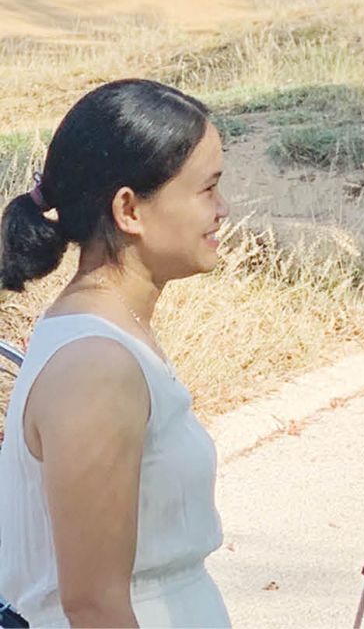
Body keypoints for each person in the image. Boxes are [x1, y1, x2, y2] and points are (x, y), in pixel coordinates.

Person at [0, 80, 232, 628]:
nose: (223, 210)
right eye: (207, 189)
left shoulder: (116, 333)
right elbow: (93, 604)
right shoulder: (95, 367)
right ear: (129, 209)